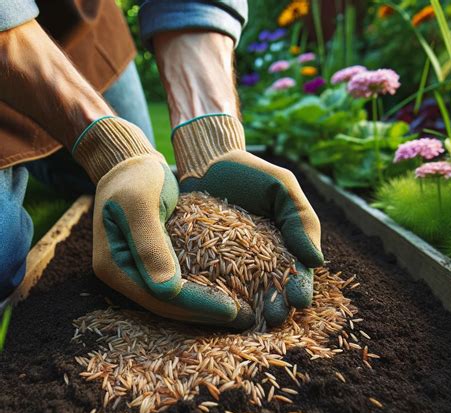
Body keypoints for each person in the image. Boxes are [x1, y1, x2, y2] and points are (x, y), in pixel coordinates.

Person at [0, 0, 323, 330]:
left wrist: (209, 139)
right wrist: (105, 144)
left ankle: (39, 139)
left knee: (133, 196)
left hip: (75, 12)